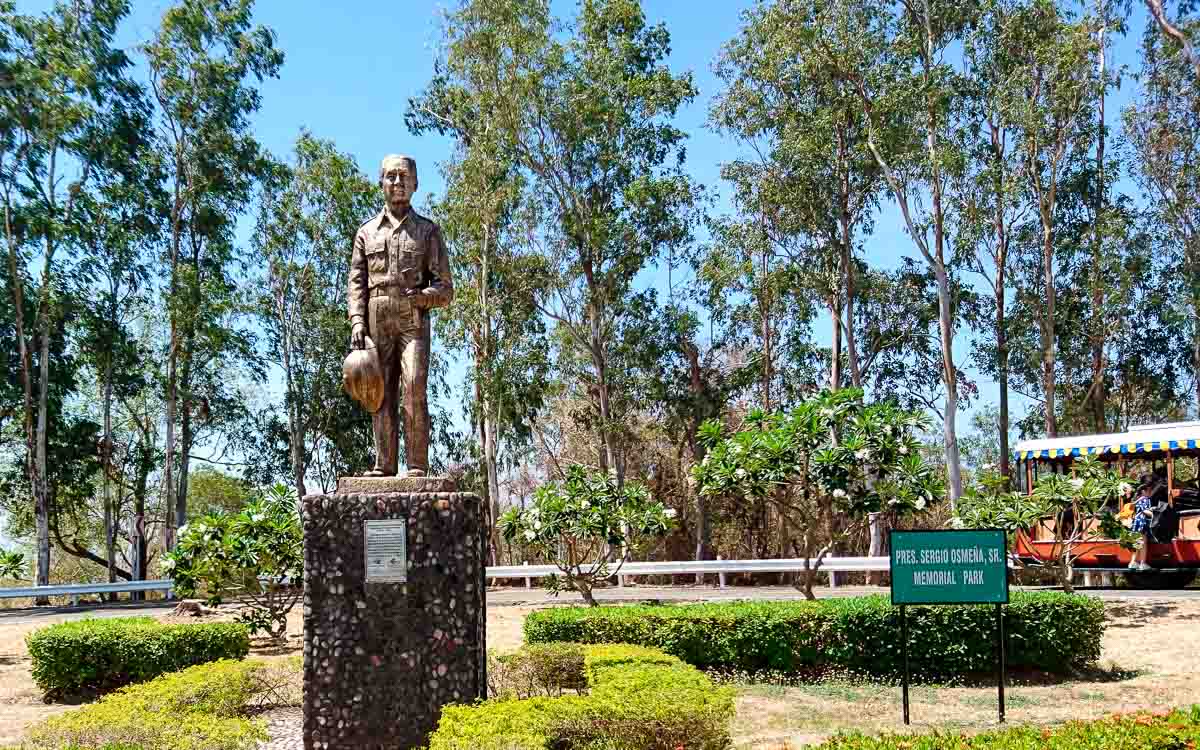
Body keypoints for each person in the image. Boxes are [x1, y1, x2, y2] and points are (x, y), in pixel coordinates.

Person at [348, 154, 454, 477]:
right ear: (381, 183)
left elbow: (446, 289)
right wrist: (357, 321)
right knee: (379, 391)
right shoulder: (366, 233)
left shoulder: (427, 232)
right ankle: (384, 464)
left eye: (404, 177)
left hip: (413, 318)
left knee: (414, 386)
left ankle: (417, 465)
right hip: (376, 316)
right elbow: (356, 284)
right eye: (391, 177)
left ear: (416, 184)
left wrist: (423, 297)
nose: (397, 182)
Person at [1128, 478, 1160, 572]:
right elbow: (1145, 510)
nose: (1151, 492)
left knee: (1137, 542)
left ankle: (1133, 562)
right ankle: (1143, 563)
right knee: (1143, 543)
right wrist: (1155, 515)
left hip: (1136, 522)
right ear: (1143, 491)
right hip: (1142, 522)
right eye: (1149, 491)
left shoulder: (1137, 499)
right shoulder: (1145, 499)